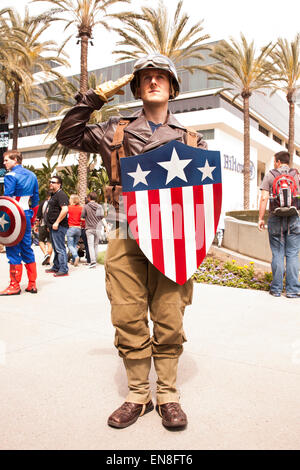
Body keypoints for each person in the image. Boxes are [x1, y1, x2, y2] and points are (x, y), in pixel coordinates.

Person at [57, 53, 207, 429]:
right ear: (137, 87)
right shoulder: (115, 131)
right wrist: (94, 99)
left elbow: (203, 197)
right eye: (146, 78)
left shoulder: (192, 141)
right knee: (127, 313)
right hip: (125, 231)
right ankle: (138, 394)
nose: (153, 82)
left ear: (172, 87)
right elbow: (68, 135)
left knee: (170, 316)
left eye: (161, 77)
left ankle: (168, 395)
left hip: (172, 236)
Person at [258, 151, 300, 298]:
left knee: (277, 253)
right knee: (293, 254)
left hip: (275, 217)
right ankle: (293, 290)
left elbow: (264, 198)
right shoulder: (296, 175)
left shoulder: (271, 174)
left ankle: (276, 289)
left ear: (277, 162)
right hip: (294, 218)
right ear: (288, 162)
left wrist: (261, 218)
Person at [0, 150, 39, 295]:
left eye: (6, 160)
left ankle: (14, 285)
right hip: (27, 214)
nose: (4, 163)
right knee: (27, 248)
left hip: (13, 216)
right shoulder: (32, 175)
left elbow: (8, 198)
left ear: (15, 159)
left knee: (12, 248)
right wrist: (33, 218)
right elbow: (35, 200)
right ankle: (32, 284)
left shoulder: (10, 175)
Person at [45, 175, 69, 277]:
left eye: (53, 182)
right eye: (50, 181)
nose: (51, 183)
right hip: (52, 226)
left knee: (60, 248)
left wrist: (56, 222)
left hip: (59, 226)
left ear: (59, 184)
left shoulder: (61, 195)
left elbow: (65, 210)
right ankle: (56, 266)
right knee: (55, 248)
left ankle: (63, 269)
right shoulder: (54, 195)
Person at [80, 191, 107, 268]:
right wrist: (106, 227)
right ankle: (95, 261)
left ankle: (93, 262)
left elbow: (82, 217)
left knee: (90, 245)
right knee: (96, 245)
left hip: (89, 229)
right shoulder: (99, 207)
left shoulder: (86, 206)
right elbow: (102, 218)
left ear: (89, 198)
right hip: (98, 228)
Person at [36, 193, 52, 265]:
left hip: (43, 224)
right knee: (50, 242)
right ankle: (48, 260)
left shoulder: (43, 203)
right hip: (52, 225)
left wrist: (36, 226)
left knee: (41, 241)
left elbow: (38, 216)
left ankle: (46, 254)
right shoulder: (55, 203)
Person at [67, 194, 82, 266]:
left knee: (70, 245)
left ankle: (76, 256)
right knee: (75, 245)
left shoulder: (69, 208)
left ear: (72, 200)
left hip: (71, 228)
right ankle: (73, 261)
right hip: (79, 228)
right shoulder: (81, 208)